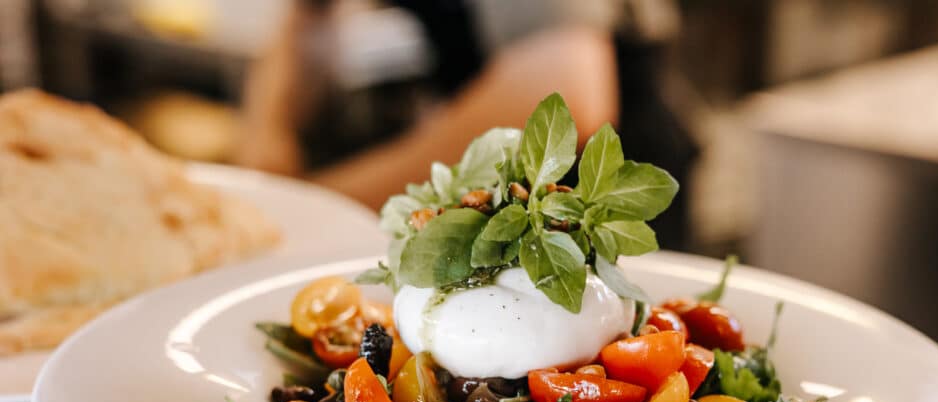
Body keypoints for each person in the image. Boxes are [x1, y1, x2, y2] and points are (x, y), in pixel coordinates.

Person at [237, 0, 696, 249]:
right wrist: (269, 142)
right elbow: (303, 25)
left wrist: (319, 203)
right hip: (497, 196)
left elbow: (563, 93)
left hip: (596, 192)